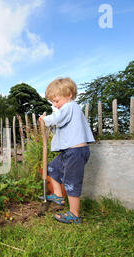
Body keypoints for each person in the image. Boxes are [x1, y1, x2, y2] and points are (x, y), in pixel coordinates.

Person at [39, 77, 95, 224]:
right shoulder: (70, 110)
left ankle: (74, 214)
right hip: (69, 152)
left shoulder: (69, 107)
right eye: (52, 102)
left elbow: (57, 118)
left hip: (75, 152)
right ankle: (58, 194)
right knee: (52, 167)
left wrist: (45, 120)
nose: (55, 105)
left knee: (71, 182)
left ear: (69, 95)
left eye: (56, 101)